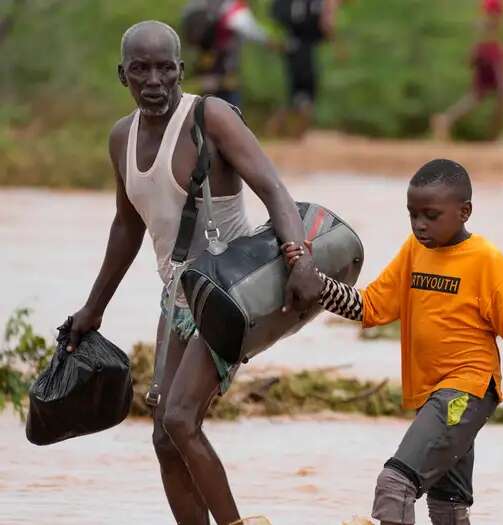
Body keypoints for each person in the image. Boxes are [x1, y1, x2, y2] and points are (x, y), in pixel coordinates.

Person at [65, 21, 322, 524]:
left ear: (182, 70)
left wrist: (299, 257)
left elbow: (274, 188)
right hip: (178, 297)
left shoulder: (211, 117)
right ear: (123, 75)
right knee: (164, 436)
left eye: (165, 68)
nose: (154, 80)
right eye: (141, 69)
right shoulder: (122, 137)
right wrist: (92, 309)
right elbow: (126, 227)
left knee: (181, 420)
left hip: (231, 293)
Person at [283, 159, 503, 525]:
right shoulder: (414, 250)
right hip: (433, 396)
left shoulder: (486, 261)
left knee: (394, 485)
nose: (420, 224)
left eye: (431, 215)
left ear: (464, 211)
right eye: (413, 215)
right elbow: (370, 307)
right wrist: (318, 283)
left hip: (465, 393)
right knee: (448, 506)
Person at [430, 0, 503, 142]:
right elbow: (481, 37)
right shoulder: (487, 21)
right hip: (491, 56)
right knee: (499, 94)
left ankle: (446, 119)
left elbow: (478, 38)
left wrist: (474, 54)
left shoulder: (484, 21)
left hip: (490, 54)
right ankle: (495, 137)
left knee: (479, 96)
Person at [267, 0, 342, 138]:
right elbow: (327, 22)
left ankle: (285, 129)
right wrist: (336, 44)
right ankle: (291, 131)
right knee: (305, 92)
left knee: (296, 93)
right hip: (303, 46)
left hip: (292, 44)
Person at [192, 0, 275, 108]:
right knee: (223, 104)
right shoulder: (232, 8)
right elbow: (250, 29)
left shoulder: (197, 6)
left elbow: (249, 29)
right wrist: (269, 41)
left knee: (213, 104)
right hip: (218, 66)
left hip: (216, 66)